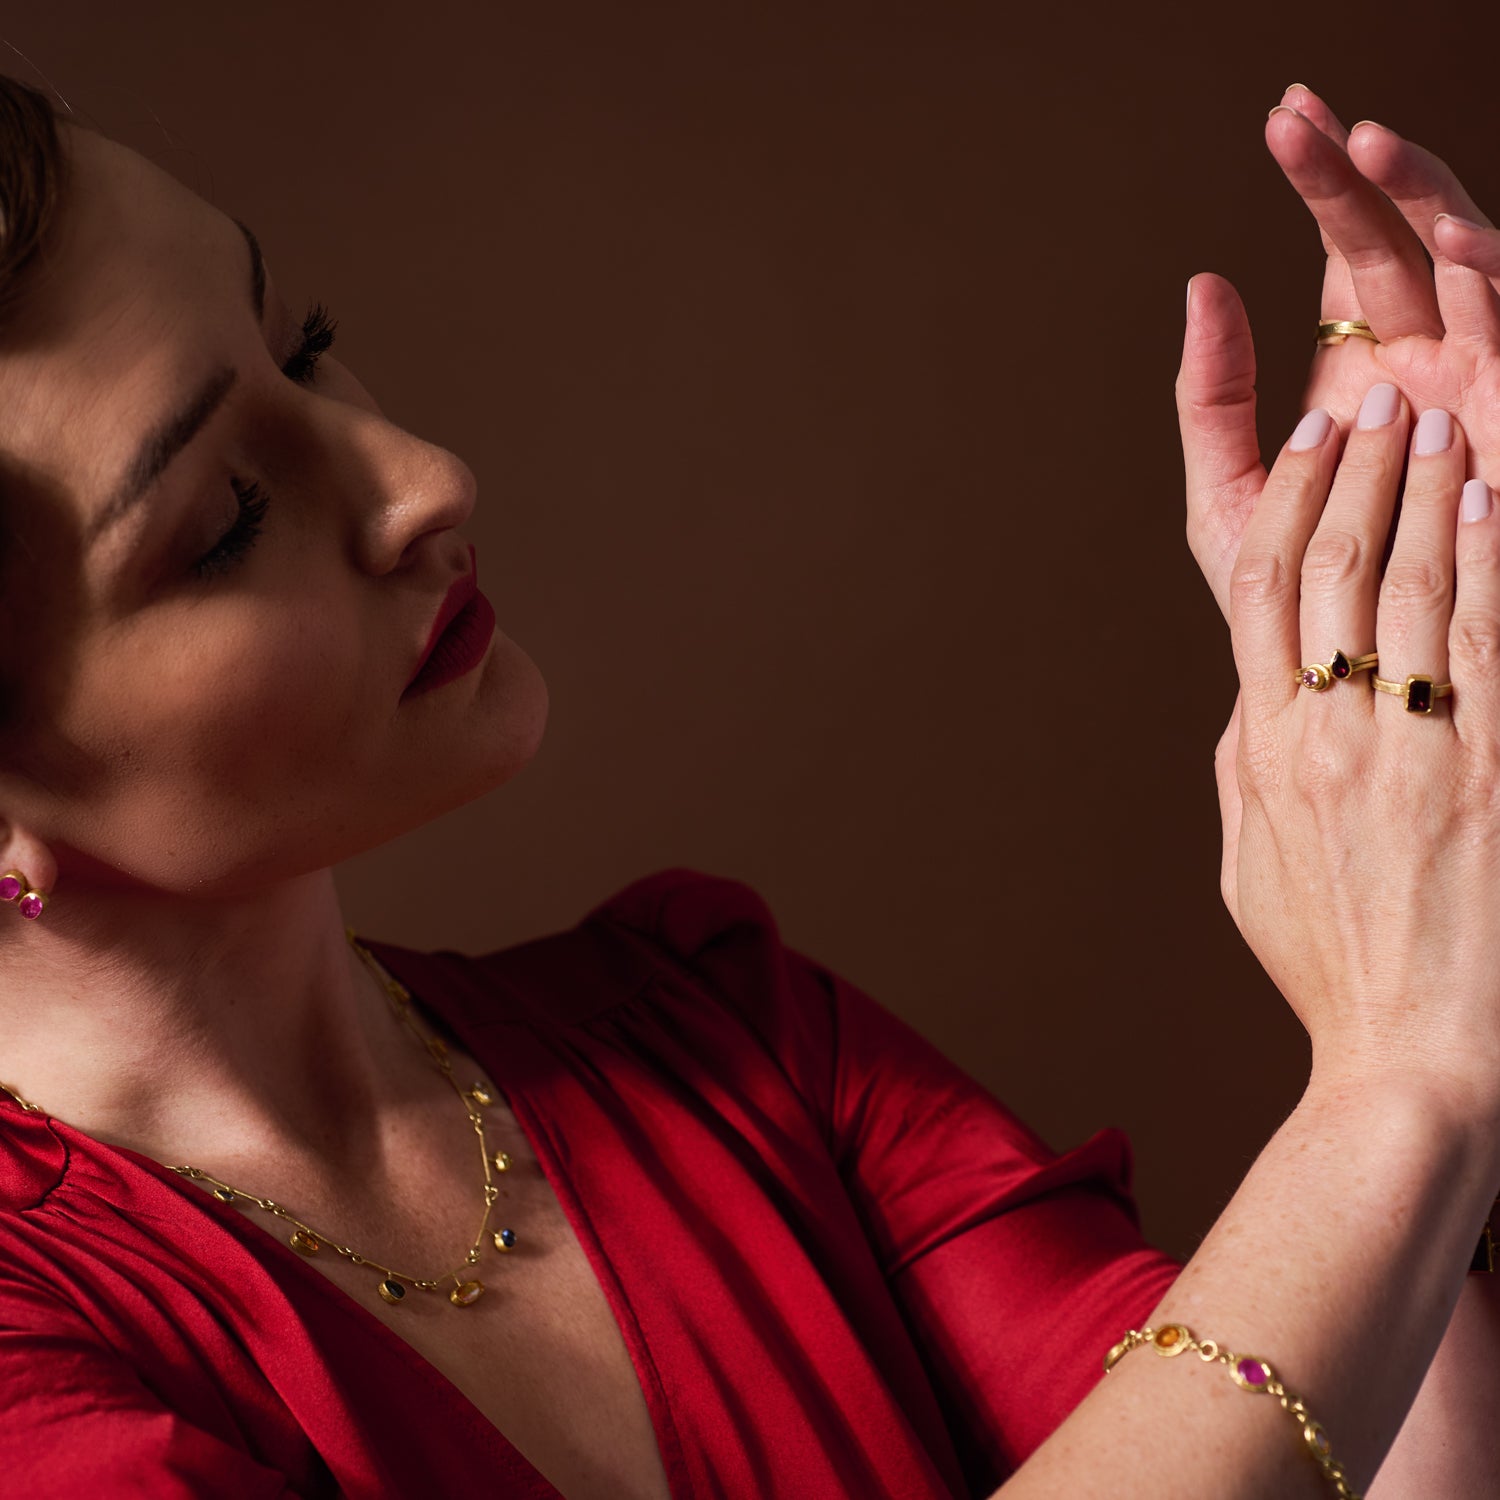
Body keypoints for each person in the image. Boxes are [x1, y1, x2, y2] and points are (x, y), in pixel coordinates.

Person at [0, 69, 1496, 1498]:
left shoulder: (725, 1038)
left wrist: (1415, 688)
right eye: (227, 517)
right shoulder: (30, 1375)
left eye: (304, 338)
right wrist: (1393, 1083)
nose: (419, 476)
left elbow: (1329, 1452)